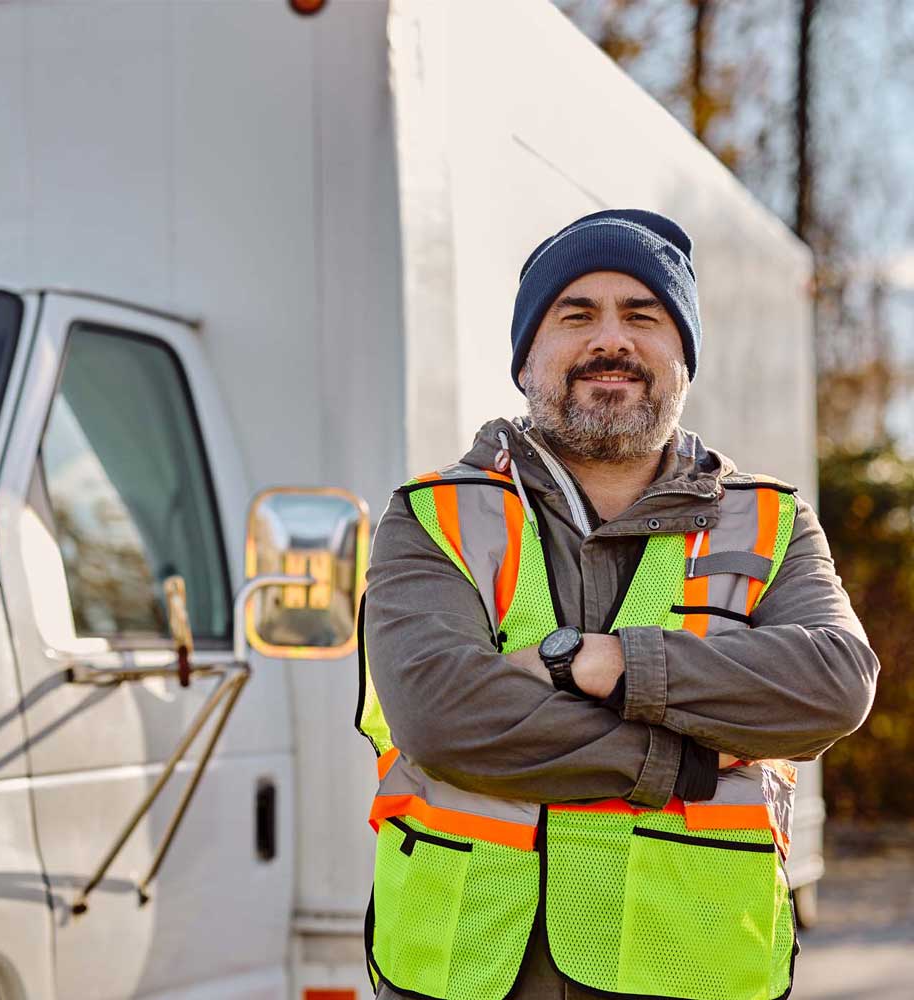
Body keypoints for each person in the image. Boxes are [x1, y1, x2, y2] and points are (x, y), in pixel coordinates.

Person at [356, 209, 879, 1000]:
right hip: (473, 977)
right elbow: (441, 718)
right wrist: (685, 756)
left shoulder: (771, 520)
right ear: (528, 355)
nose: (612, 340)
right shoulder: (432, 516)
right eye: (577, 315)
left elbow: (833, 685)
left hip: (693, 976)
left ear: (683, 358)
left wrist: (607, 663)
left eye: (644, 315)